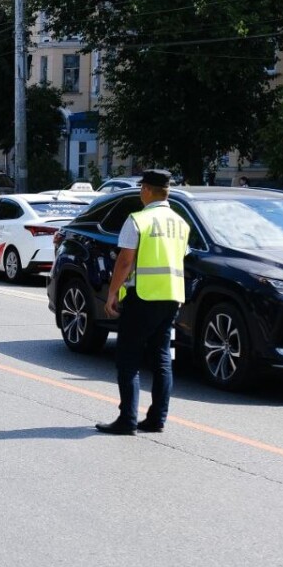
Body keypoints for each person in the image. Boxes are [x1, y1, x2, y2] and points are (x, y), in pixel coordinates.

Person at [96, 168, 190, 436]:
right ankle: (157, 418)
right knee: (162, 358)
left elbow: (125, 261)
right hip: (171, 297)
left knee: (128, 359)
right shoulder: (181, 223)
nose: (140, 192)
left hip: (142, 296)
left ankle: (127, 419)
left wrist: (112, 294)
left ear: (148, 190)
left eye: (141, 188)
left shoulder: (138, 220)